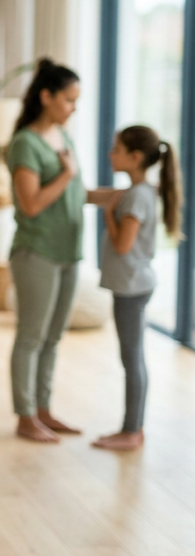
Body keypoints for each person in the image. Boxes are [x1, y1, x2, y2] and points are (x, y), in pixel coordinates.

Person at [6, 58, 91, 443]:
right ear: (47, 97)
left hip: (68, 252)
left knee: (54, 337)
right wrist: (68, 175)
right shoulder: (25, 143)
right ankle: (25, 416)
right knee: (31, 336)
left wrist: (123, 196)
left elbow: (75, 193)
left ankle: (43, 410)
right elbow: (32, 204)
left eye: (76, 100)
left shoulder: (64, 138)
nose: (73, 107)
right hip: (36, 252)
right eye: (69, 99)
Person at [92, 125, 182, 451]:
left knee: (132, 359)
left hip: (131, 288)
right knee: (132, 358)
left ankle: (131, 431)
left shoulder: (135, 197)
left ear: (135, 157)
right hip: (134, 286)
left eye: (115, 150)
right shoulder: (140, 192)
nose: (109, 154)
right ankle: (132, 428)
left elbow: (122, 245)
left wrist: (109, 216)